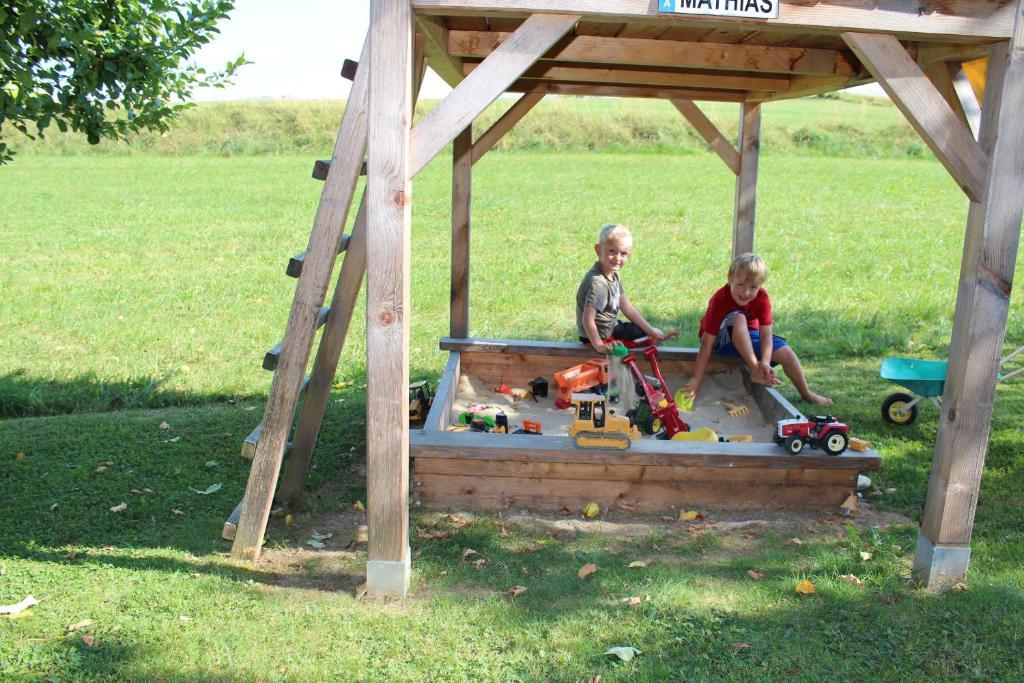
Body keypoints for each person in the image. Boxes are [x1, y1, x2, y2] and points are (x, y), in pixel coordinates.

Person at [686, 252, 833, 406]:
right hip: (721, 342)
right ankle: (754, 369)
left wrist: (766, 361)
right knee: (739, 318)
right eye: (741, 285)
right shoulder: (720, 299)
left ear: (760, 285)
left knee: (787, 354)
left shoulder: (762, 298)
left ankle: (807, 394)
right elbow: (707, 343)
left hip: (748, 338)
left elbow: (766, 335)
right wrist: (696, 379)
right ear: (730, 278)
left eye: (753, 287)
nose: (746, 292)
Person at [576, 223, 674, 354]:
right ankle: (624, 353)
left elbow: (627, 308)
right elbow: (587, 319)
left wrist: (651, 330)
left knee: (654, 333)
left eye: (623, 254)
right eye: (612, 251)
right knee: (651, 338)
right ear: (599, 249)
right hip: (600, 337)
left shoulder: (613, 274)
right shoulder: (598, 283)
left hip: (611, 327)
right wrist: (599, 346)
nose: (617, 258)